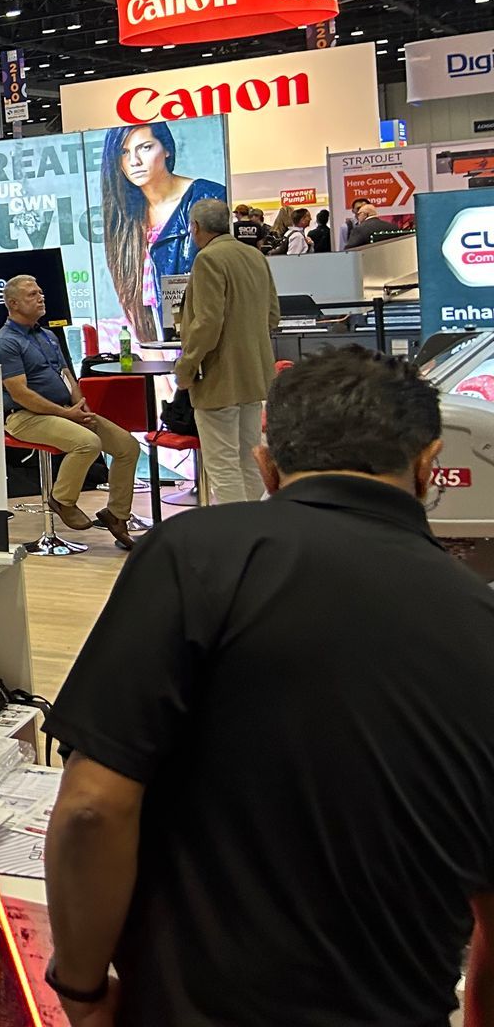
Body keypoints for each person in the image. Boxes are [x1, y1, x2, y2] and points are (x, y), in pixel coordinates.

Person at [42, 349, 494, 1027]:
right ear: (429, 467)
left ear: (266, 463)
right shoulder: (481, 622)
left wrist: (80, 991)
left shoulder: (193, 554)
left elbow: (91, 809)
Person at [0, 275, 139, 549]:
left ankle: (116, 515)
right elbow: (21, 394)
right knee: (88, 443)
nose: (41, 297)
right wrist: (66, 414)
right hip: (23, 417)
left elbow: (67, 374)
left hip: (64, 411)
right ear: (13, 303)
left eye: (41, 292)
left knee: (127, 446)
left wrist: (79, 405)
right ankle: (62, 500)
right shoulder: (5, 343)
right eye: (32, 294)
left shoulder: (47, 335)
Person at [173, 198, 280, 505]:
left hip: (219, 375)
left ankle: (236, 534)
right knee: (249, 456)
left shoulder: (208, 259)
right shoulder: (254, 256)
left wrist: (187, 366)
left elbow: (207, 322)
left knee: (221, 463)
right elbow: (273, 314)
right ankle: (253, 528)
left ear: (195, 228)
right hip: (254, 374)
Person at [101, 123, 227, 343]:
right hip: (156, 344)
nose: (134, 161)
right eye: (124, 152)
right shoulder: (124, 216)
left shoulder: (208, 198)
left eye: (145, 147)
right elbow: (135, 304)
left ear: (166, 148)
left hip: (205, 338)